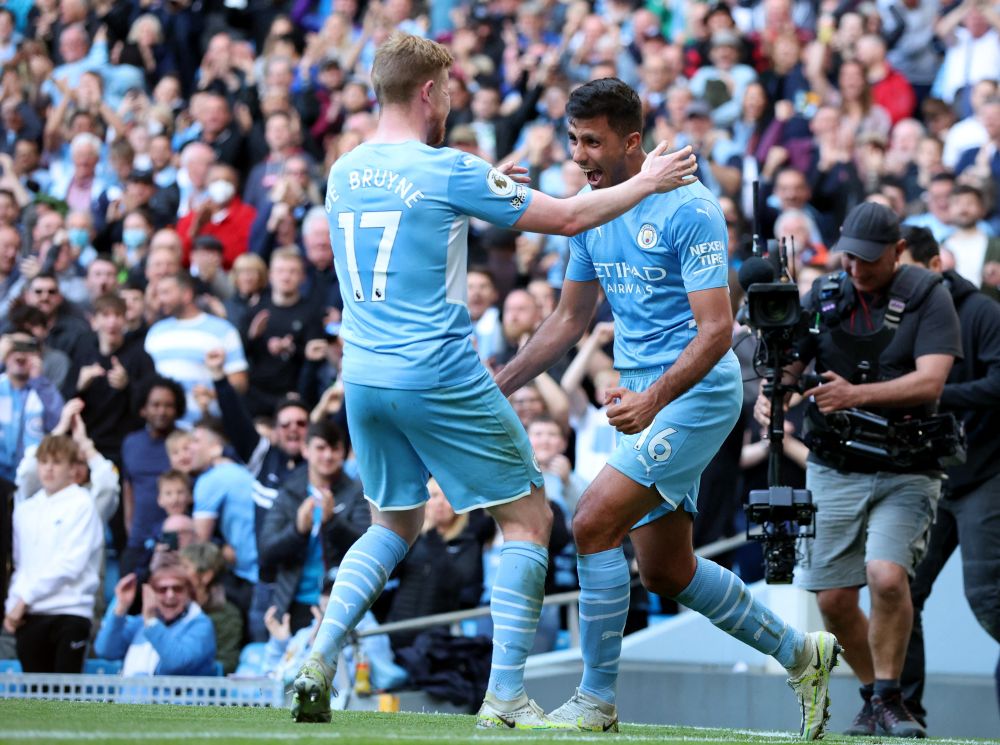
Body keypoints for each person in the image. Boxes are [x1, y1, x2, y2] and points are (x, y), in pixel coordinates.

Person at [291, 32, 698, 728]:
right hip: (436, 369)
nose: (449, 101)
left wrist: (491, 182)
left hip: (361, 372)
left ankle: (317, 654)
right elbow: (568, 216)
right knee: (529, 516)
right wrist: (648, 181)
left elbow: (419, 220)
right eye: (447, 90)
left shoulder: (344, 170)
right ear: (428, 92)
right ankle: (505, 692)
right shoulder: (450, 167)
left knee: (392, 521)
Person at [494, 77, 839, 739]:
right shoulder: (592, 209)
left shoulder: (689, 207)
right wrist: (502, 378)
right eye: (571, 140)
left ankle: (595, 702)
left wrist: (653, 396)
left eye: (591, 141)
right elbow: (569, 318)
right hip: (641, 396)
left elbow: (716, 332)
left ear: (632, 140)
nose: (578, 155)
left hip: (697, 394)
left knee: (592, 521)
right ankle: (803, 654)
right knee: (666, 568)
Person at [754, 203, 963, 738]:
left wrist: (854, 394)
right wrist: (773, 394)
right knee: (833, 598)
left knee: (887, 575)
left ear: (897, 252)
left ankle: (892, 694)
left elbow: (931, 382)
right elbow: (791, 365)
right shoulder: (826, 295)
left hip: (907, 464)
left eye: (869, 261)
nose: (856, 269)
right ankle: (876, 697)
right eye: (849, 257)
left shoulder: (927, 295)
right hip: (835, 463)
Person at [896, 226, 1000, 730]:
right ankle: (903, 710)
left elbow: (999, 384)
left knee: (989, 598)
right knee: (902, 591)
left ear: (934, 265)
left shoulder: (983, 312)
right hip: (932, 476)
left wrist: (934, 394)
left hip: (986, 473)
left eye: (910, 272)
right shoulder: (907, 313)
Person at [3, 434, 103, 672]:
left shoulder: (82, 503)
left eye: (57, 462)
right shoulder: (25, 508)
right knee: (34, 703)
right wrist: (12, 604)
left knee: (65, 703)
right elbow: (21, 563)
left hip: (70, 612)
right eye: (44, 461)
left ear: (73, 469)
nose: (49, 469)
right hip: (29, 614)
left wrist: (23, 600)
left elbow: (70, 564)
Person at [94, 552, 216, 676]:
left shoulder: (200, 624)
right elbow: (105, 650)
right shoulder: (140, 623)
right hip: (130, 695)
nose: (170, 595)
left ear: (189, 593)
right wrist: (121, 607)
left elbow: (178, 663)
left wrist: (152, 622)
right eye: (162, 590)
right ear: (150, 593)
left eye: (177, 589)